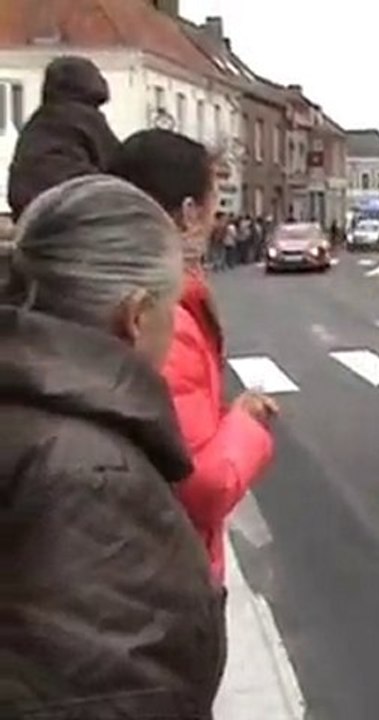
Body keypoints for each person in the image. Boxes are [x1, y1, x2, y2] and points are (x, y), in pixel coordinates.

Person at [0, 175, 224, 719]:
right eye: (171, 307)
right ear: (136, 315)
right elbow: (109, 696)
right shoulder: (91, 476)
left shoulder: (34, 413)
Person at [110, 129, 276, 590]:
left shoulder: (103, 286)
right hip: (170, 578)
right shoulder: (164, 319)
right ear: (187, 215)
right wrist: (246, 423)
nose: (214, 223)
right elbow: (202, 485)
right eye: (213, 208)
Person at [7, 56, 121, 222]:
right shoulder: (83, 118)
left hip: (32, 212)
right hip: (75, 207)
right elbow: (117, 162)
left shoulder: (38, 122)